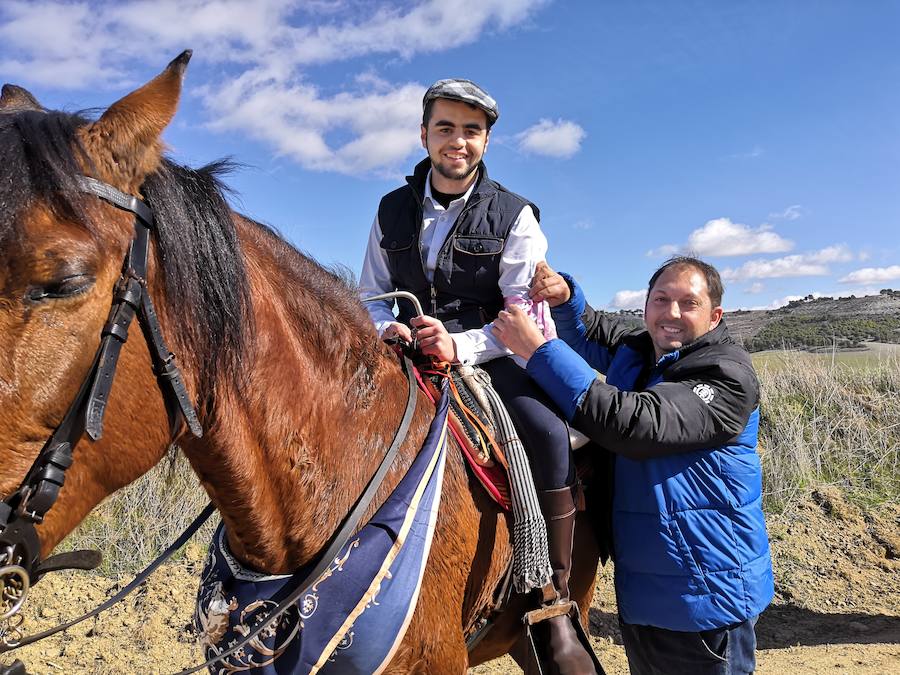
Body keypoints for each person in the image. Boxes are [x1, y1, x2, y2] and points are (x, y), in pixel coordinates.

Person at [359, 78, 598, 673]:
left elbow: (523, 313)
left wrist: (459, 342)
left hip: (492, 358)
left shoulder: (515, 215)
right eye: (445, 128)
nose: (457, 141)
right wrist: (387, 328)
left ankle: (554, 604)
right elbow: (370, 294)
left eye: (470, 130)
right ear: (424, 135)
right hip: (409, 355)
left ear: (486, 140)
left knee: (545, 435)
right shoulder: (390, 209)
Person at [492, 257, 774, 675]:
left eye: (688, 303)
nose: (671, 313)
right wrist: (567, 298)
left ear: (715, 316)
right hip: (647, 596)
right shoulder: (643, 354)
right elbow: (596, 333)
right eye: (661, 299)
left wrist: (537, 351)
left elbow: (635, 424)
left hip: (706, 598)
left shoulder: (725, 375)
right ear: (646, 307)